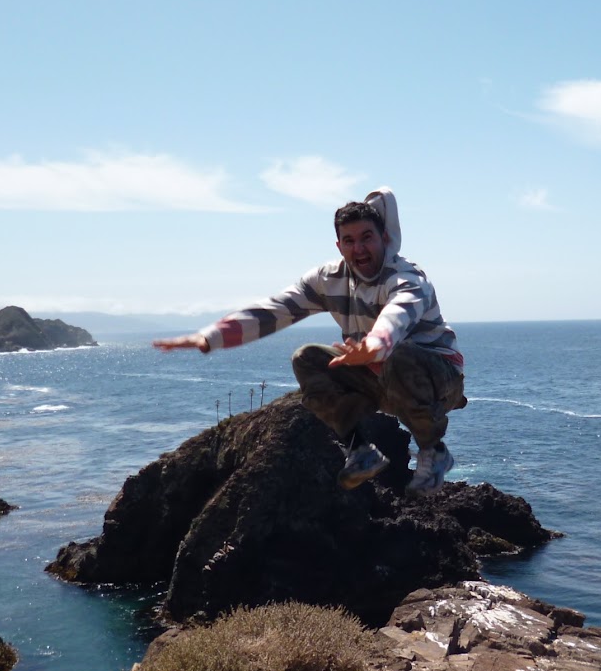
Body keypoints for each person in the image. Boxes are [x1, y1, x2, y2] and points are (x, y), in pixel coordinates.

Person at [153, 187, 465, 496]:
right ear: (339, 245)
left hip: (438, 380)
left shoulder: (407, 277)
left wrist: (375, 345)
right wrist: (210, 337)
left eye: (367, 237)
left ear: (384, 237)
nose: (359, 249)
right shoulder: (329, 279)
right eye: (349, 240)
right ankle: (360, 451)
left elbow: (398, 314)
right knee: (307, 358)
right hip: (377, 376)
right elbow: (273, 311)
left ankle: (433, 450)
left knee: (398, 355)